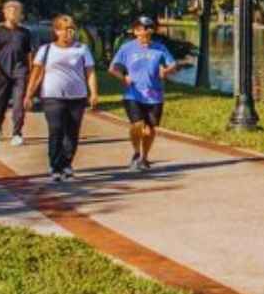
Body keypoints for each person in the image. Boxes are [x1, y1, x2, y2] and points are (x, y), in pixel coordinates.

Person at [22, 14, 98, 183]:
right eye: (64, 30)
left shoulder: (82, 49)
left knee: (72, 132)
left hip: (77, 96)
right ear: (56, 31)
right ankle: (55, 166)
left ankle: (67, 164)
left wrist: (93, 93)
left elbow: (90, 72)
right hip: (52, 95)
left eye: (71, 29)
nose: (68, 33)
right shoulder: (46, 49)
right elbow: (36, 74)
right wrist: (28, 94)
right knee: (56, 130)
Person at [109, 15, 187, 171]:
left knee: (150, 129)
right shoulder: (127, 48)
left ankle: (145, 157)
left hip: (154, 95)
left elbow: (172, 64)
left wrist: (166, 71)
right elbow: (112, 69)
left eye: (149, 28)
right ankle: (137, 153)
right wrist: (124, 78)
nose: (146, 31)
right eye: (143, 28)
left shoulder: (160, 48)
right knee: (137, 125)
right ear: (136, 31)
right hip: (133, 94)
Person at [0, 0, 34, 146]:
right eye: (10, 10)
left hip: (19, 72)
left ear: (21, 14)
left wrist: (31, 72)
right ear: (4, 12)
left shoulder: (25, 32)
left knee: (19, 104)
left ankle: (17, 133)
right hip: (1, 72)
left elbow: (29, 53)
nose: (13, 13)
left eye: (17, 11)